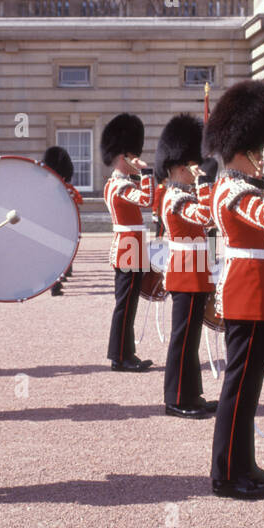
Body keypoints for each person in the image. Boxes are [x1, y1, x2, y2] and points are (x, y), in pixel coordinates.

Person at [203, 81, 264, 499]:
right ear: (246, 148)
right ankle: (225, 474)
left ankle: (245, 463)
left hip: (254, 290)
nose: (263, 157)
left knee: (249, 387)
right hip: (244, 292)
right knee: (237, 389)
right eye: (259, 150)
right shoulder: (235, 188)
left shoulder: (238, 183)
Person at [155, 113, 217, 419]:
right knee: (182, 341)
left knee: (191, 340)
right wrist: (206, 183)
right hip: (185, 273)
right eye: (193, 166)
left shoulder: (181, 193)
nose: (197, 171)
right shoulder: (176, 198)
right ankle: (176, 398)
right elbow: (207, 216)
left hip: (195, 271)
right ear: (181, 167)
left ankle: (192, 394)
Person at [102, 113, 154, 371]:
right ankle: (121, 356)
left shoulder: (115, 183)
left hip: (127, 246)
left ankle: (123, 353)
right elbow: (148, 200)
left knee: (127, 305)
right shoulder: (121, 186)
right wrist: (146, 171)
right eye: (133, 157)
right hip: (128, 248)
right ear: (124, 157)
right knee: (126, 305)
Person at [42, 145, 83, 297]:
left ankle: (55, 282)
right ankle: (55, 284)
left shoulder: (58, 187)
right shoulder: (64, 188)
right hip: (58, 225)